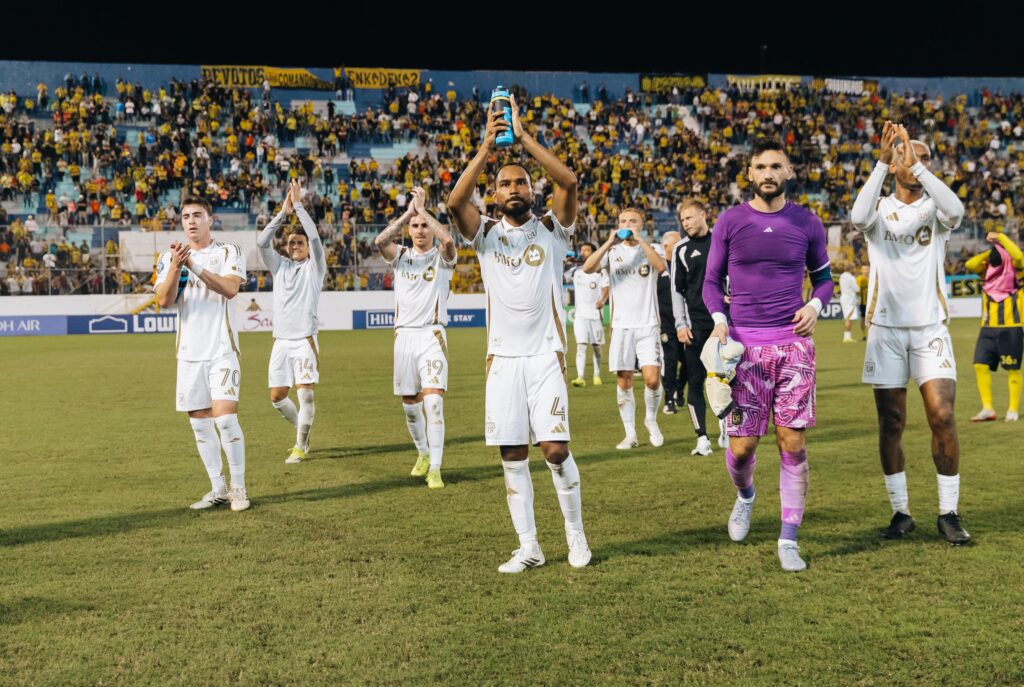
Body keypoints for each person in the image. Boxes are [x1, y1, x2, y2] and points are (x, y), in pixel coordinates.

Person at [448, 92, 590, 573]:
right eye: (505, 184)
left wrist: (523, 138)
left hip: (545, 355)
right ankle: (529, 546)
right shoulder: (485, 234)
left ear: (532, 191)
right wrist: (486, 148)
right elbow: (454, 201)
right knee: (512, 454)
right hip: (502, 360)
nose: (513, 188)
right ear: (494, 195)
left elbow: (568, 180)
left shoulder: (552, 228)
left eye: (521, 182)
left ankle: (575, 533)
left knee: (554, 450)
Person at [703, 138, 834, 572]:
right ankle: (745, 496)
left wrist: (814, 306)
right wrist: (719, 319)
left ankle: (788, 538)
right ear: (750, 174)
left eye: (776, 166)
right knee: (742, 449)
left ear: (789, 172)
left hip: (793, 345)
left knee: (791, 441)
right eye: (761, 167)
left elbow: (824, 279)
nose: (768, 174)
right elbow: (711, 281)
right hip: (745, 348)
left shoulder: (807, 222)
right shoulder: (730, 221)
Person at [850, 121, 970, 545]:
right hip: (885, 329)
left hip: (929, 328)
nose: (920, 163)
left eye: (926, 158)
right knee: (892, 421)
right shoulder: (879, 209)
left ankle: (948, 513)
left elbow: (957, 211)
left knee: (942, 415)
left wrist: (914, 164)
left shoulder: (935, 210)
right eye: (911, 156)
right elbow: (857, 217)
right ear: (893, 162)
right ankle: (901, 512)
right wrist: (882, 163)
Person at [155, 196, 249, 511]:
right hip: (189, 353)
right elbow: (164, 300)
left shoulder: (229, 251)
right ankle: (218, 488)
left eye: (197, 215)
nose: (191, 221)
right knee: (199, 424)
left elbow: (231, 288)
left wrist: (192, 265)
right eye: (186, 216)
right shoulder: (168, 257)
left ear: (210, 219)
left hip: (222, 349)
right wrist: (176, 266)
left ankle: (239, 489)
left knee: (226, 420)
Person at [375, 187, 456, 489]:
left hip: (432, 335)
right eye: (416, 226)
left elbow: (448, 241)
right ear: (408, 230)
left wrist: (422, 211)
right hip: (404, 337)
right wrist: (408, 213)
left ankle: (435, 468)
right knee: (410, 403)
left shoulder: (442, 257)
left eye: (424, 225)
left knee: (433, 402)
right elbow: (380, 241)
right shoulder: (401, 256)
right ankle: (422, 453)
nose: (420, 229)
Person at [582, 209, 667, 450]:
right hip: (621, 326)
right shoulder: (612, 252)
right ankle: (630, 434)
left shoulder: (653, 248)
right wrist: (608, 242)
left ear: (642, 225)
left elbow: (661, 267)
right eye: (623, 221)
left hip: (648, 324)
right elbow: (587, 268)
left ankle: (651, 420)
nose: (627, 224)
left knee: (652, 380)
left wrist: (640, 239)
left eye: (632, 221)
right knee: (624, 380)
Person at [257, 179, 327, 464]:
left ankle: (300, 446)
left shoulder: (315, 267)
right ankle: (303, 434)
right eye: (291, 243)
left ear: (307, 248)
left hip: (304, 340)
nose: (296, 245)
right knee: (276, 397)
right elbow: (262, 242)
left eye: (300, 243)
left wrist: (298, 206)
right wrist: (282, 214)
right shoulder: (280, 266)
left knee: (306, 395)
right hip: (281, 341)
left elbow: (316, 239)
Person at [672, 199, 725, 455]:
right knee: (695, 381)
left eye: (690, 218)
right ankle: (702, 437)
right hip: (695, 325)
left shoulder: (722, 241)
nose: (686, 223)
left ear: (703, 215)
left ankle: (727, 428)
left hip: (724, 323)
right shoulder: (681, 249)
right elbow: (677, 290)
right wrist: (680, 324)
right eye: (683, 220)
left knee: (727, 380)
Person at [963, 230, 1023, 422]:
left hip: (1011, 327)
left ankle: (1012, 409)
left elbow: (1018, 256)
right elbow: (969, 264)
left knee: (1013, 369)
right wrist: (991, 252)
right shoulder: (987, 271)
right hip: (987, 328)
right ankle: (987, 408)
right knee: (980, 365)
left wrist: (1000, 237)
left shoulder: (1017, 271)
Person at [569, 241, 608, 387]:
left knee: (596, 347)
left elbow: (606, 288)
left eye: (587, 250)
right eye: (582, 249)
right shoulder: (575, 271)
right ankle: (580, 377)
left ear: (594, 253)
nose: (583, 252)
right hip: (580, 316)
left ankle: (596, 375)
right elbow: (558, 270)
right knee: (581, 346)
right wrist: (567, 260)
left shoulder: (600, 271)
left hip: (595, 315)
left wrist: (602, 301)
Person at [657, 231, 684, 415]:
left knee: (691, 361)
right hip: (666, 323)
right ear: (665, 246)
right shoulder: (657, 268)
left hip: (685, 322)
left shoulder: (683, 264)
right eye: (677, 243)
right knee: (670, 360)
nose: (681, 246)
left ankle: (679, 388)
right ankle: (669, 400)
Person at [839, 260, 860, 343]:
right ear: (851, 269)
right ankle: (847, 337)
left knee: (847, 317)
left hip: (844, 298)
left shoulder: (842, 276)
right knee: (849, 318)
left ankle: (847, 336)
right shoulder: (851, 278)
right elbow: (857, 289)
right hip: (850, 299)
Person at [856, 263, 870, 340]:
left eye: (866, 269)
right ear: (861, 270)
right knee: (863, 318)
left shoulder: (872, 278)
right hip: (863, 302)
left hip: (871, 301)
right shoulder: (859, 279)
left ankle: (871, 334)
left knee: (873, 319)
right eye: (864, 269)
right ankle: (863, 334)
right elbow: (857, 290)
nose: (865, 270)